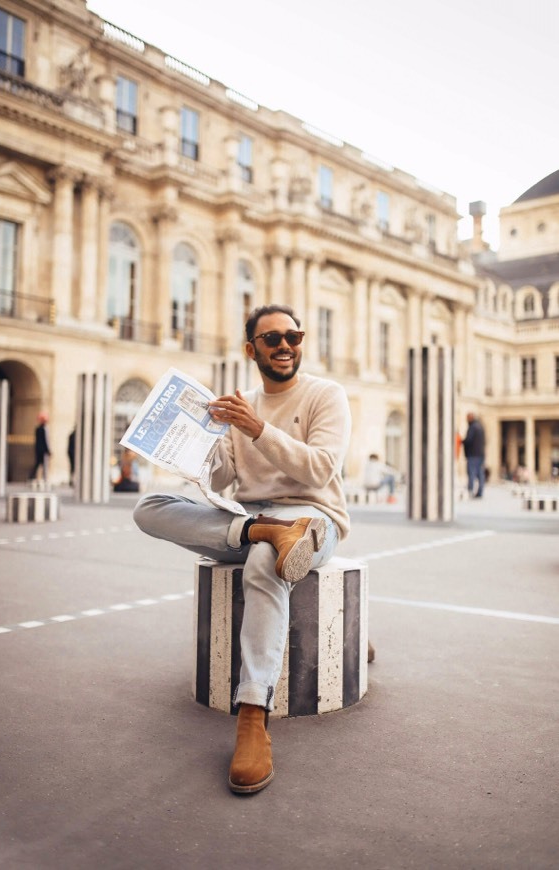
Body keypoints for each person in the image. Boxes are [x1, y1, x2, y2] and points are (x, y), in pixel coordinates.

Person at [133, 304, 351, 794]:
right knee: (148, 507)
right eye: (271, 339)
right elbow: (221, 481)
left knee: (263, 561)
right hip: (251, 517)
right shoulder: (239, 406)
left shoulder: (325, 395)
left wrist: (256, 429)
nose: (284, 346)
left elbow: (319, 470)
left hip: (312, 517)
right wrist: (200, 447)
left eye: (293, 336)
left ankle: (253, 717)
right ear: (251, 349)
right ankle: (263, 532)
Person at [462, 412, 486, 498]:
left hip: (473, 454)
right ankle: (480, 492)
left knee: (471, 473)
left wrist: (462, 441)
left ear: (470, 418)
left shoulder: (472, 427)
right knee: (480, 474)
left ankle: (470, 491)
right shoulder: (480, 427)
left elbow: (469, 440)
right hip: (480, 454)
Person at [30, 412, 51, 483]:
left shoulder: (41, 429)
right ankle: (40, 478)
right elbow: (44, 441)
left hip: (39, 450)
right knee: (41, 464)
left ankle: (36, 477)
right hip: (41, 451)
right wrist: (47, 450)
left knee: (39, 464)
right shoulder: (41, 429)